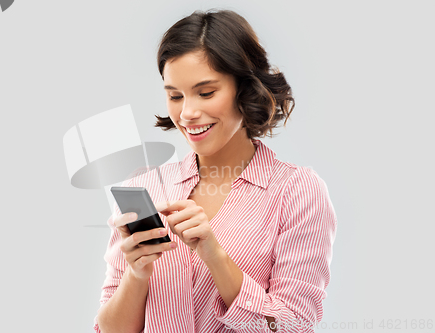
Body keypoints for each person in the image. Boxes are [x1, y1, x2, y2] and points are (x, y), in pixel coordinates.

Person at [94, 9, 337, 333]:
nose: (188, 113)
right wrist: (137, 275)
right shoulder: (146, 188)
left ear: (246, 89)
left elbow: (292, 326)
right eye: (175, 96)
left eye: (206, 93)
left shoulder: (297, 192)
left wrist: (214, 254)